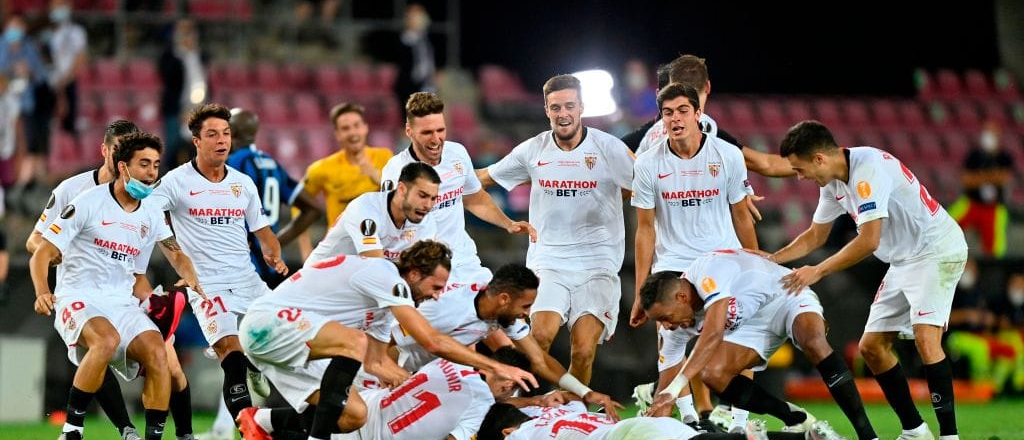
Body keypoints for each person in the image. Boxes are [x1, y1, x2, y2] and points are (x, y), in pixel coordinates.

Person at [769, 120, 968, 440]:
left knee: (925, 339)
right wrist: (774, 258)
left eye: (800, 169)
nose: (799, 177)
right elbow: (815, 236)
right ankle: (916, 430)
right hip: (904, 260)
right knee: (872, 348)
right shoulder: (832, 181)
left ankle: (949, 437)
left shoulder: (868, 170)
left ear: (819, 158)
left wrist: (817, 271)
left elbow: (869, 241)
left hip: (936, 250)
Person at [236, 240, 537, 440]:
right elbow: (432, 341)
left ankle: (261, 420)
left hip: (299, 342)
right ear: (415, 274)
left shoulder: (383, 311)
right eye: (435, 286)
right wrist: (496, 367)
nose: (437, 295)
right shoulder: (385, 276)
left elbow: (378, 363)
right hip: (266, 324)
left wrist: (412, 384)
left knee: (355, 416)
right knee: (355, 341)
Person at [27, 120, 195, 440]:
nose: (149, 171)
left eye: (153, 164)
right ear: (112, 155)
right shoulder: (77, 194)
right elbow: (38, 244)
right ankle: (83, 429)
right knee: (104, 343)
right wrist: (47, 276)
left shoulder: (147, 211)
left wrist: (153, 302)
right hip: (78, 293)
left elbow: (138, 270)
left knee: (164, 357)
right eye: (138, 160)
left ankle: (174, 434)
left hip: (123, 298)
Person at [478, 74, 634, 386]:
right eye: (556, 107)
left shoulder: (609, 148)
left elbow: (644, 187)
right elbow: (482, 178)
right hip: (548, 261)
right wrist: (437, 179)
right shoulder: (534, 150)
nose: (563, 114)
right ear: (546, 110)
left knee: (584, 349)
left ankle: (576, 416)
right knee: (540, 336)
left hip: (597, 264)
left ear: (581, 108)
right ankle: (529, 412)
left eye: (569, 106)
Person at [148, 104, 287, 438]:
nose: (221, 140)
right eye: (212, 134)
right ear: (196, 141)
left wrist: (274, 255)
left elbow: (263, 232)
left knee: (288, 337)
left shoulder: (242, 184)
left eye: (225, 133)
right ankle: (246, 428)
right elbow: (149, 219)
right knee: (230, 353)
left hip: (248, 279)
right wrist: (178, 258)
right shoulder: (176, 182)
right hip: (207, 285)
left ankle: (260, 365)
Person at [640, 250, 878, 440]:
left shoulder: (707, 273)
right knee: (712, 374)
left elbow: (712, 334)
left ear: (681, 297)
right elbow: (665, 388)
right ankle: (792, 416)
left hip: (785, 296)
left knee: (814, 342)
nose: (665, 326)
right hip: (751, 327)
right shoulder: (673, 327)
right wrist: (657, 421)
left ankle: (868, 435)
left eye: (666, 317)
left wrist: (675, 388)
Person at [629, 83, 757, 430]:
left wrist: (757, 259)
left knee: (738, 339)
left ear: (699, 114)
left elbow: (741, 214)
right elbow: (645, 229)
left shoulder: (728, 155)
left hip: (723, 260)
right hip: (674, 265)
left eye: (683, 111)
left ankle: (740, 422)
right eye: (668, 113)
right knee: (672, 340)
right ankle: (685, 421)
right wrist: (642, 292)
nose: (676, 119)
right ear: (661, 118)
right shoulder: (647, 165)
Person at [386, 263, 623, 418]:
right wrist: (386, 373)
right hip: (398, 381)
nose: (527, 313)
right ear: (504, 299)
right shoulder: (443, 309)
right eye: (526, 306)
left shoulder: (503, 316)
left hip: (434, 383)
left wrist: (585, 392)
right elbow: (385, 339)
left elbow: (539, 360)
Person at [381, 91, 534, 289]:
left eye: (440, 130)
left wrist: (508, 223)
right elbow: (392, 227)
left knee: (495, 315)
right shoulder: (396, 171)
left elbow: (474, 198)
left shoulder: (457, 153)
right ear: (409, 132)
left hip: (464, 259)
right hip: (425, 268)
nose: (436, 139)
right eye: (427, 133)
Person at [227, 107, 322, 287]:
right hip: (274, 266)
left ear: (232, 132)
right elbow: (314, 209)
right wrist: (276, 242)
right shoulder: (271, 163)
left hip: (243, 269)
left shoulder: (233, 163)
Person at [476, 402, 847, 440]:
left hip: (631, 435)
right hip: (636, 427)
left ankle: (738, 435)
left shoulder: (520, 435)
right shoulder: (559, 413)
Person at [307, 161, 439, 263]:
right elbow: (375, 269)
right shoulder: (364, 209)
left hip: (356, 286)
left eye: (433, 198)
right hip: (319, 285)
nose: (428, 205)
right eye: (422, 196)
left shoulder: (426, 220)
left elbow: (421, 270)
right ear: (402, 189)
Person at [303, 102, 392, 228]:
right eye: (345, 128)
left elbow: (404, 199)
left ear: (365, 128)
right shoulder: (322, 168)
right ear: (337, 134)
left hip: (378, 241)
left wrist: (379, 179)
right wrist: (305, 246)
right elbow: (298, 202)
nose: (352, 133)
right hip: (340, 244)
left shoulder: (385, 158)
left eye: (357, 125)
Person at [947, 120, 1014, 258]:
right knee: (947, 226)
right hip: (971, 203)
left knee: (996, 249)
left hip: (994, 207)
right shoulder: (974, 155)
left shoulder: (1005, 156)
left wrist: (978, 177)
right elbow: (966, 180)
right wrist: (992, 176)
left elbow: (1004, 177)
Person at [159, 18, 208, 171]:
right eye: (183, 33)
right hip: (176, 111)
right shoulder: (170, 57)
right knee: (173, 148)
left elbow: (203, 83)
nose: (188, 36)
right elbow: (168, 80)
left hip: (198, 110)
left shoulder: (199, 57)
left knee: (198, 150)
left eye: (190, 32)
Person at [47, 0, 86, 136]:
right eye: (54, 6)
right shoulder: (47, 32)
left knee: (68, 121)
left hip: (68, 81)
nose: (56, 9)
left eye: (60, 6)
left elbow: (80, 58)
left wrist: (65, 81)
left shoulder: (76, 32)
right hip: (50, 82)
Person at [394, 3, 436, 120]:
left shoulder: (425, 39)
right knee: (412, 119)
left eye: (421, 15)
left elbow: (427, 61)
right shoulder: (405, 39)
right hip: (409, 86)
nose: (420, 19)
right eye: (415, 16)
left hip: (427, 84)